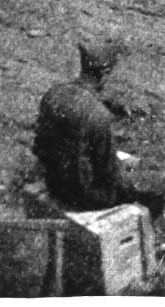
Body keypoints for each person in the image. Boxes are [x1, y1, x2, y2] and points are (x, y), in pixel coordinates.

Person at [33, 40, 129, 209]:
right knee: (159, 186)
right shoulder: (97, 114)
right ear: (105, 73)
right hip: (84, 196)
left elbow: (40, 145)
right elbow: (108, 173)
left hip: (52, 183)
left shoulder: (53, 93)